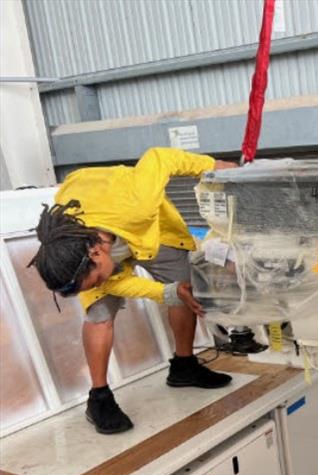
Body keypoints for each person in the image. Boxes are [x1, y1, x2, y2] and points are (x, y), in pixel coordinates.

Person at [28, 148, 237, 435]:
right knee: (99, 312)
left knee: (184, 286)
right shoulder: (66, 243)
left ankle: (184, 367)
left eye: (96, 278)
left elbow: (159, 158)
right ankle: (99, 398)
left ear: (96, 252)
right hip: (105, 227)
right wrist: (166, 292)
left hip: (149, 230)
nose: (101, 284)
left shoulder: (137, 202)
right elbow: (113, 281)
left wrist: (213, 165)